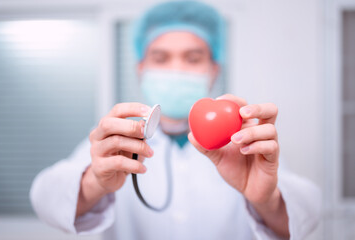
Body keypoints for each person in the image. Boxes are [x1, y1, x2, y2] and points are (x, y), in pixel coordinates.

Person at [30, 1, 320, 239]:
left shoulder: (245, 140)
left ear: (214, 69)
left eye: (193, 58)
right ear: (141, 68)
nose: (177, 68)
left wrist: (265, 200)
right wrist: (94, 181)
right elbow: (45, 198)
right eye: (161, 58)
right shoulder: (115, 142)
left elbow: (306, 215)